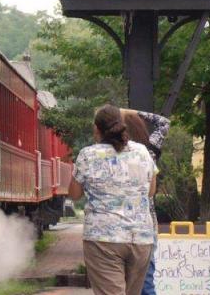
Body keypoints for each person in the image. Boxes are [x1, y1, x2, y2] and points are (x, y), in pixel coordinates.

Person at [69, 105, 158, 295]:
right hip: (140, 239)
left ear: (97, 128)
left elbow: (74, 194)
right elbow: (151, 191)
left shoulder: (87, 155)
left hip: (103, 240)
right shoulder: (142, 152)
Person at [122, 109, 171, 295]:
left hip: (120, 224)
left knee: (124, 281)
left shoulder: (113, 152)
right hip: (147, 223)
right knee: (146, 278)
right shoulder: (150, 148)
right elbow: (164, 122)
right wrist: (134, 112)